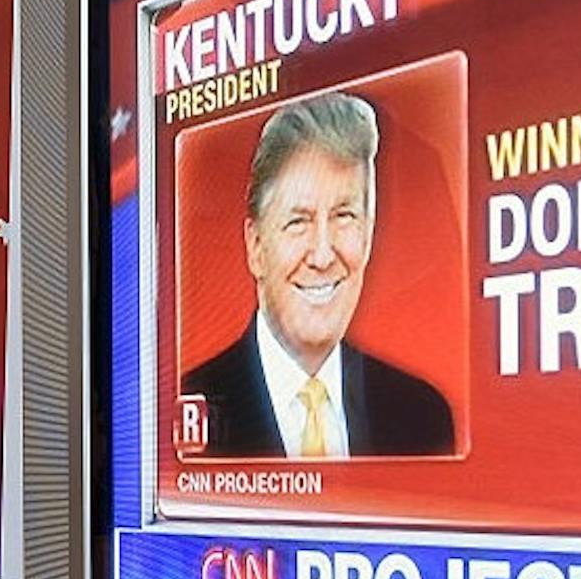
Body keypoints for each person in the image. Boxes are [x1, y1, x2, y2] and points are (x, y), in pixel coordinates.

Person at [184, 90, 452, 458]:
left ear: (369, 232)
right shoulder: (180, 410)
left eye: (344, 216)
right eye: (298, 221)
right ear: (257, 247)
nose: (324, 255)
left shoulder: (421, 416)